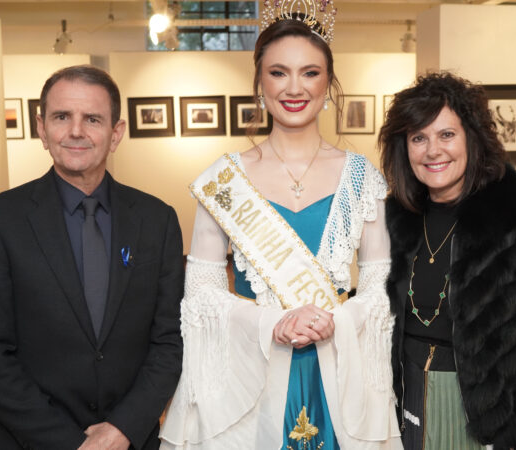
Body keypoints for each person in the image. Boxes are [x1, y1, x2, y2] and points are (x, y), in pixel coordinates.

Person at [159, 10, 401, 450]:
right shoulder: (224, 180)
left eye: (310, 72)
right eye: (278, 72)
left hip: (337, 377)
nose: (294, 88)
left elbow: (379, 287)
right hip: (252, 378)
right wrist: (271, 323)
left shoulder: (362, 179)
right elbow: (202, 294)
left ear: (328, 83)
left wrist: (337, 321)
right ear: (260, 83)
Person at [0, 65, 184, 449]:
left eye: (93, 119)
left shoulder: (157, 219)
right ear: (41, 128)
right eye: (62, 117)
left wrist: (121, 429)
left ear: (116, 134)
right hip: (29, 441)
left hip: (128, 440)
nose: (76, 131)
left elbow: (170, 341)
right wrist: (70, 444)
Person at [379, 72, 516, 450]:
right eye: (419, 137)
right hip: (402, 401)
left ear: (472, 139)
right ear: (405, 148)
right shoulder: (394, 223)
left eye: (446, 134)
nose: (433, 150)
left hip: (485, 418)